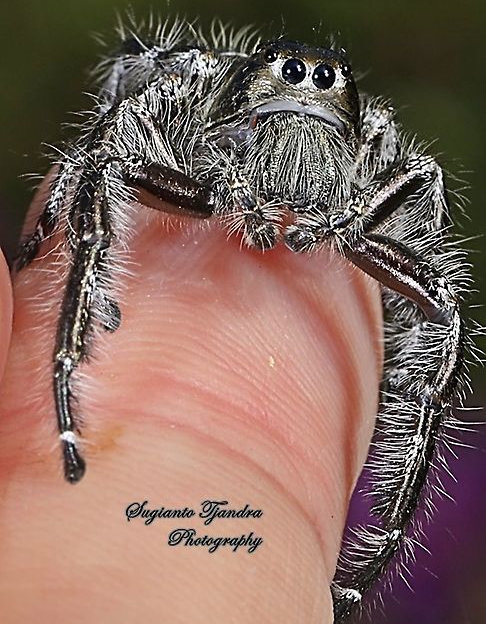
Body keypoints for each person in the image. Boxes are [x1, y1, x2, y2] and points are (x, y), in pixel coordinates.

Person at [0, 197, 382, 623]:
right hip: (222, 168)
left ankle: (374, 558)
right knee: (106, 159)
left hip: (339, 202)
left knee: (440, 294)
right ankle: (66, 377)